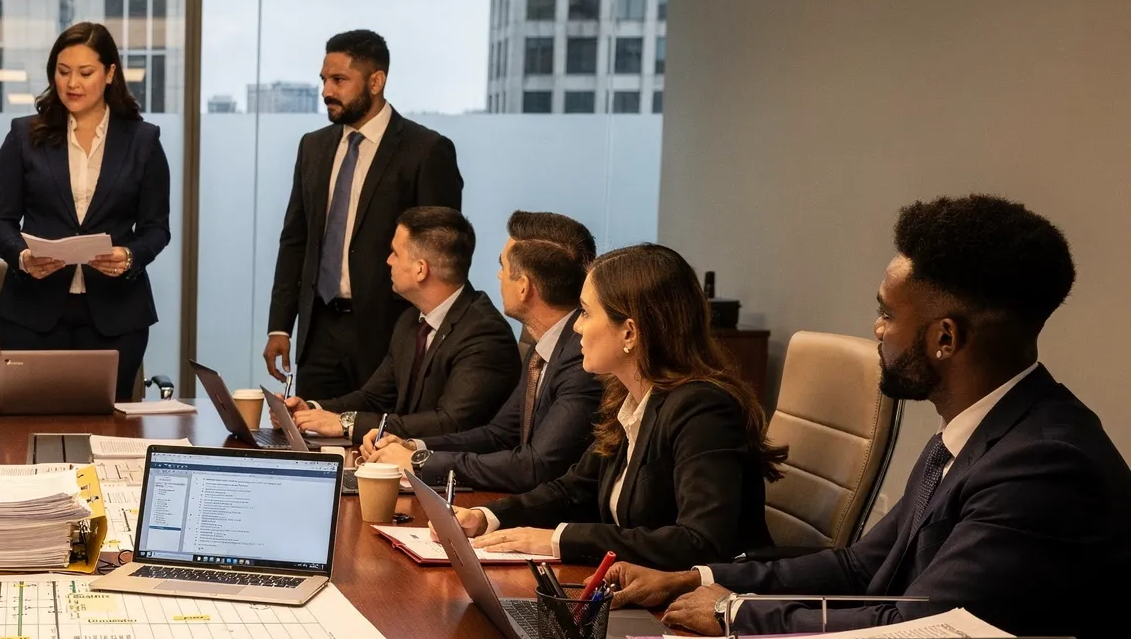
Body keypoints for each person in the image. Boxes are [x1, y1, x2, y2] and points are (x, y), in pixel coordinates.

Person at [609, 196, 1131, 639]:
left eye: (886, 314)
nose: (877, 330)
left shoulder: (1042, 465)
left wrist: (736, 613)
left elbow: (919, 631)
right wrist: (695, 577)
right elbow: (861, 568)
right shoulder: (978, 432)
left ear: (944, 338)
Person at [451, 243, 783, 569]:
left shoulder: (702, 410)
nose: (577, 326)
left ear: (629, 333)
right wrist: (487, 517)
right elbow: (574, 488)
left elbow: (700, 542)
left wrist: (559, 540)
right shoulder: (628, 395)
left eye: (585, 311)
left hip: (707, 607)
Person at [264, 29, 464, 400]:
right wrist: (280, 326)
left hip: (389, 334)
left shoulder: (426, 150)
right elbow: (295, 240)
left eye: (339, 80)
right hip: (318, 332)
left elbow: (440, 254)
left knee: (376, 445)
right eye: (324, 79)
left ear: (376, 81)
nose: (327, 90)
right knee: (312, 439)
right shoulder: (313, 147)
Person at [0, 21, 171, 402]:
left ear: (110, 74)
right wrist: (22, 257)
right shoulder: (24, 136)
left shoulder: (143, 140)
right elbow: (0, 221)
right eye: (63, 71)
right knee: (28, 432)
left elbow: (156, 228)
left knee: (108, 431)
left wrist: (130, 255)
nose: (72, 83)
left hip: (117, 315)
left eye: (85, 73)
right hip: (33, 313)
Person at [359, 211, 603, 492]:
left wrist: (419, 461)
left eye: (503, 266)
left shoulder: (580, 360)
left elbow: (534, 466)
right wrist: (415, 445)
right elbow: (499, 435)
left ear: (524, 287)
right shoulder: (544, 347)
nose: (499, 275)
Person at [283, 206, 517, 443]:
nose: (388, 260)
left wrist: (347, 424)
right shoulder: (410, 320)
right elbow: (375, 397)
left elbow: (449, 423)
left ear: (420, 269)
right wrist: (313, 410)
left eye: (395, 253)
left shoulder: (484, 334)